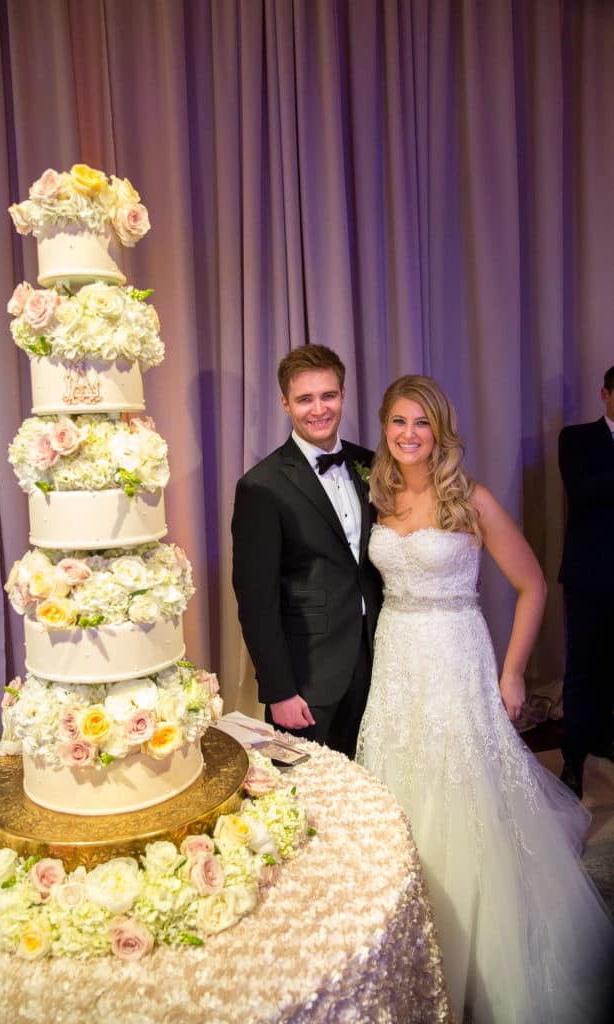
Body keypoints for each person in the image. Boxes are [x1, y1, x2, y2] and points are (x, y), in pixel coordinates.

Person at [356, 375, 613, 1024]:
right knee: (400, 786)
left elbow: (532, 585)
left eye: (422, 423)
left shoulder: (470, 499)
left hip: (454, 653)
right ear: (384, 428)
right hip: (397, 658)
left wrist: (515, 673)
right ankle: (407, 943)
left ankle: (476, 950)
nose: (409, 434)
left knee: (464, 792)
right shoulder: (379, 496)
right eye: (398, 423)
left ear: (440, 431)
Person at [231, 344, 383, 758]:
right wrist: (279, 690)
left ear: (343, 395)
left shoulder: (370, 464)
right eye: (305, 399)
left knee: (366, 782)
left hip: (377, 660)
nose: (319, 409)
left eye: (328, 395)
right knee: (306, 794)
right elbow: (255, 600)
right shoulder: (261, 486)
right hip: (308, 675)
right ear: (285, 403)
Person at [558, 366, 614, 799]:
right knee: (582, 668)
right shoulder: (575, 438)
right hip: (591, 575)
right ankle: (573, 761)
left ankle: (606, 738)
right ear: (604, 394)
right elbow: (583, 489)